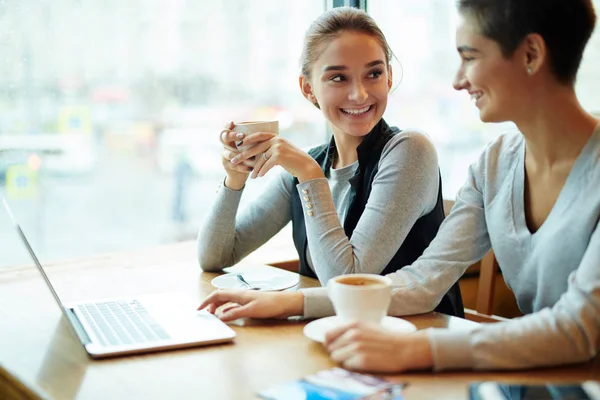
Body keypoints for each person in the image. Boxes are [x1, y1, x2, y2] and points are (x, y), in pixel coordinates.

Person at [199, 0, 600, 372]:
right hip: (536, 377)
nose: (458, 81)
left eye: (469, 58)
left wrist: (418, 350)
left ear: (530, 55)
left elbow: (579, 330)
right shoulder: (493, 165)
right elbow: (422, 282)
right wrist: (290, 302)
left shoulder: (411, 151)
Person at [197, 7, 463, 317]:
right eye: (338, 77)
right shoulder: (310, 165)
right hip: (340, 335)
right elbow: (215, 256)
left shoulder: (410, 151)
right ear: (308, 88)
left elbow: (346, 281)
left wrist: (310, 176)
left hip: (417, 341)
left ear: (389, 77)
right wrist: (234, 180)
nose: (359, 94)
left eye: (374, 73)